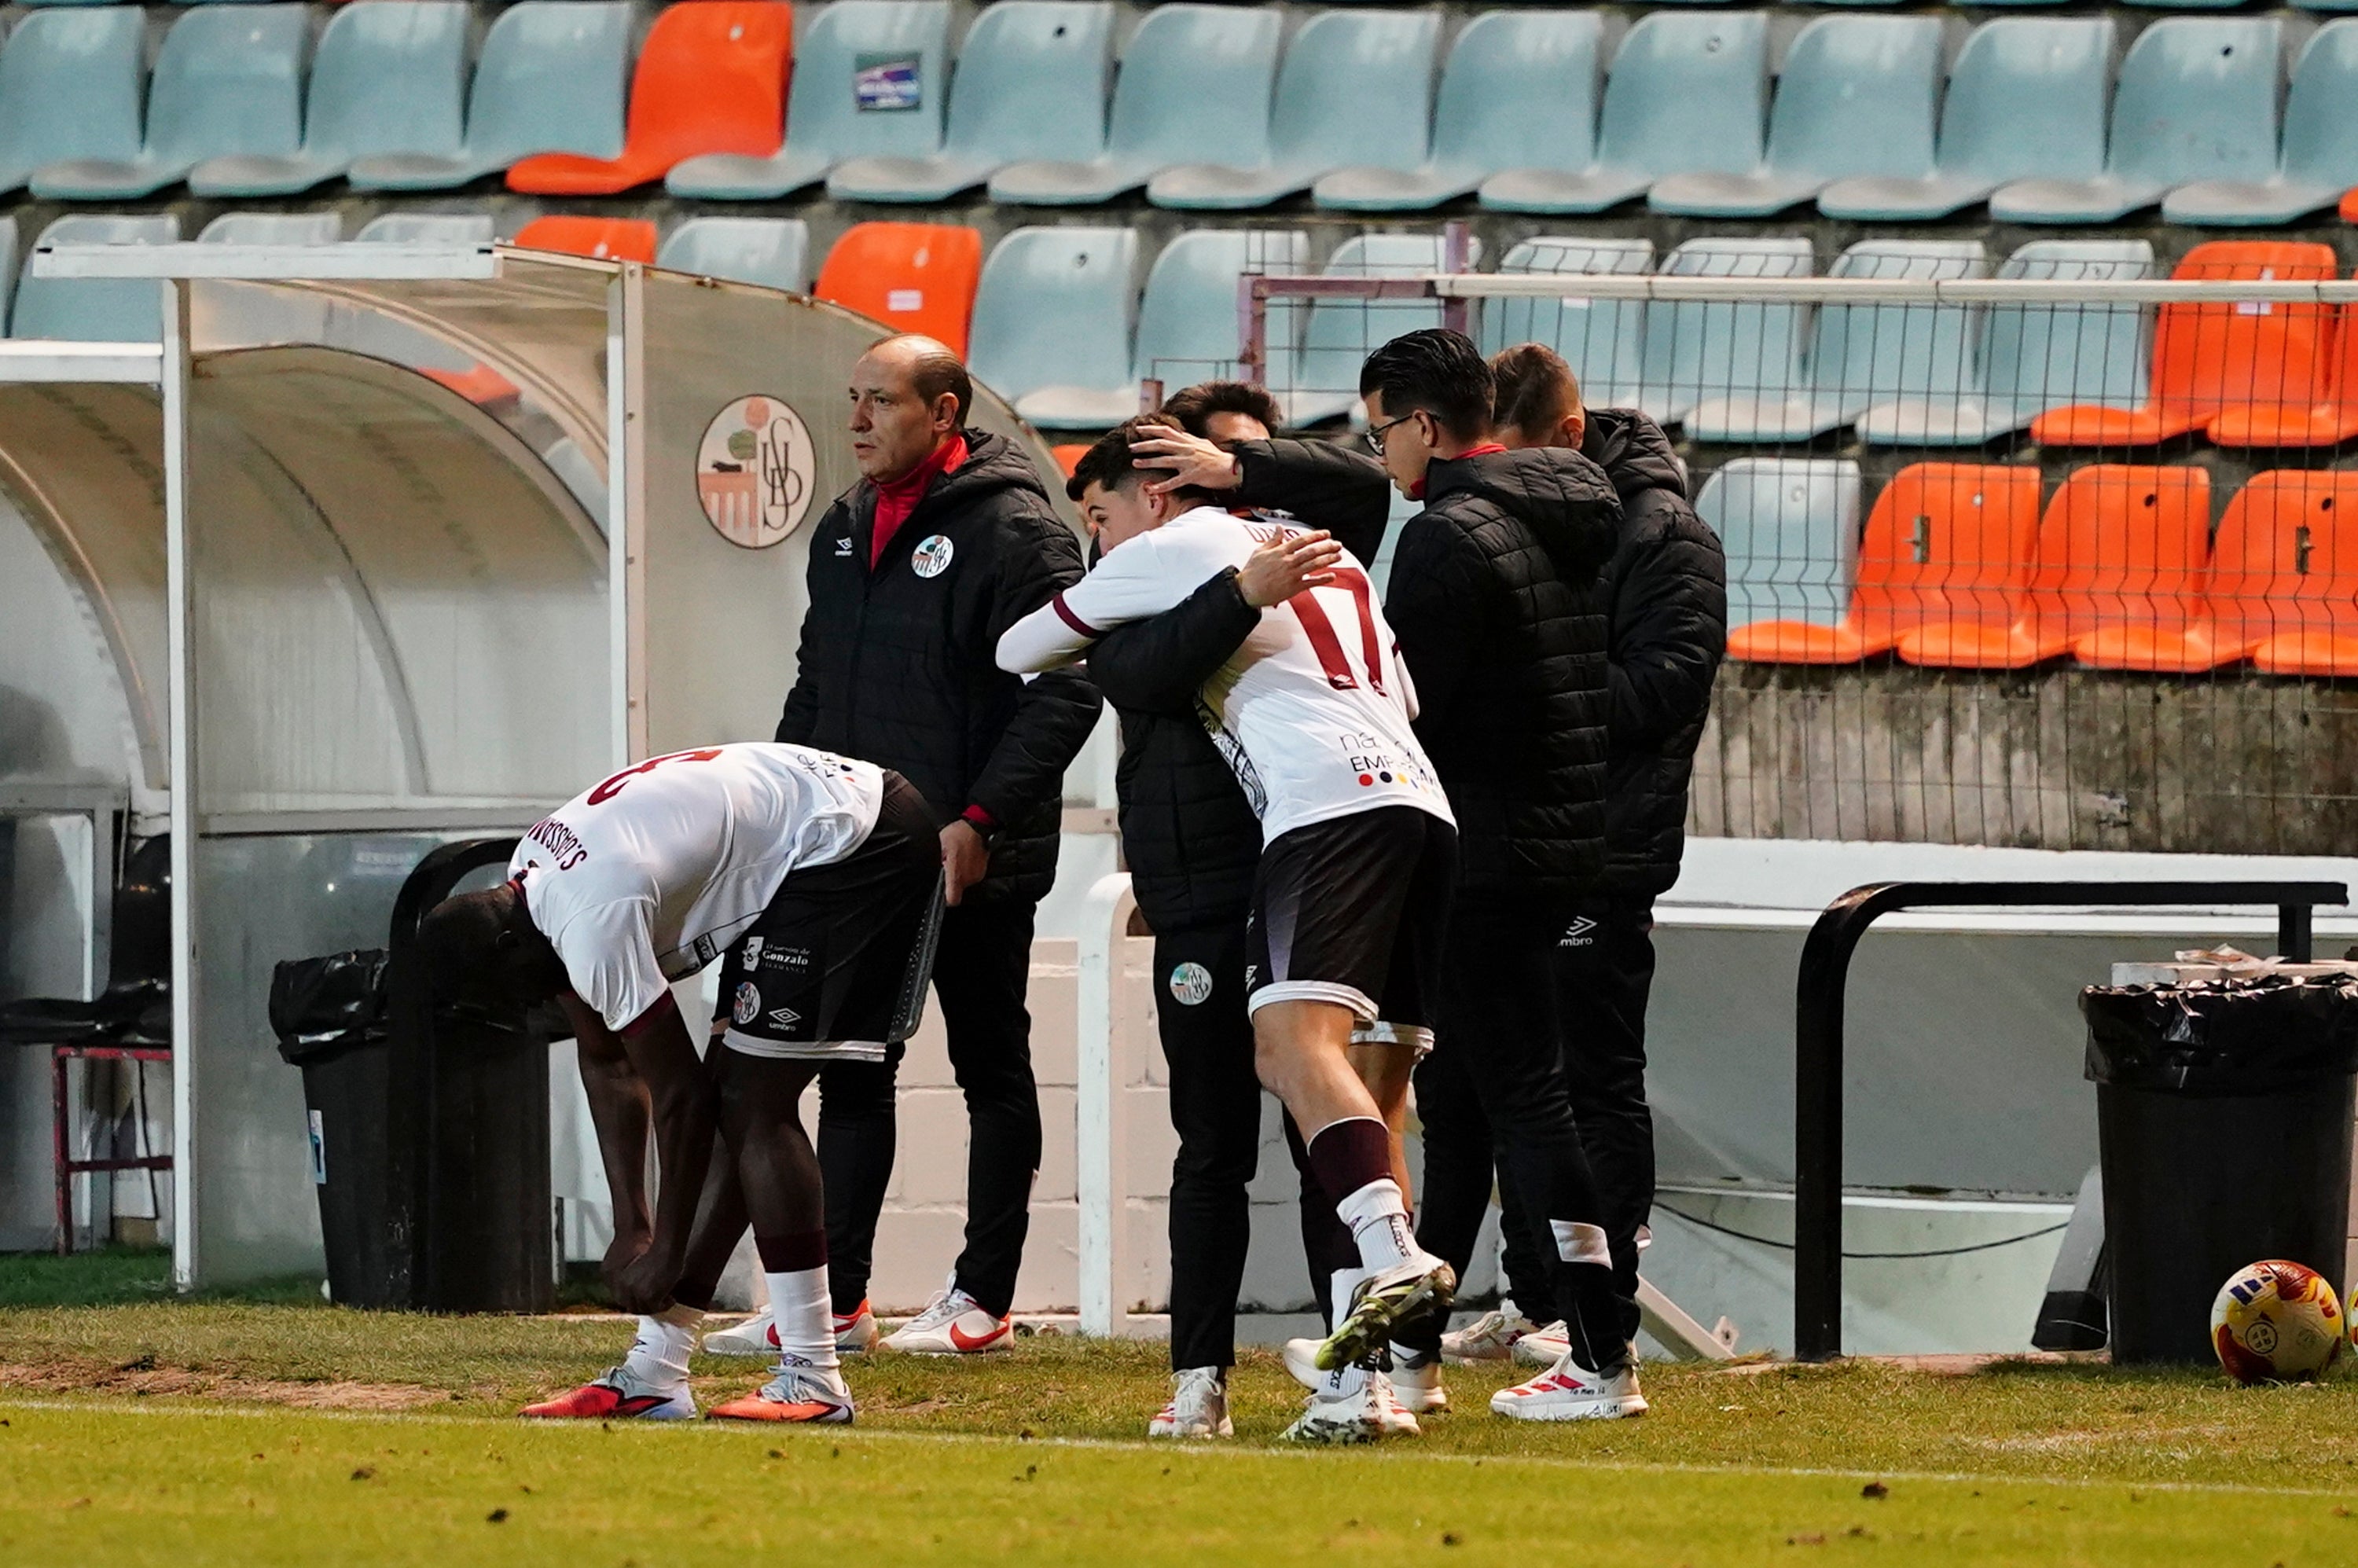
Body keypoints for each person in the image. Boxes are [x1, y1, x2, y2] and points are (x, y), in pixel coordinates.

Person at [999, 416, 1459, 1445]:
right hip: (1423, 815)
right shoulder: (1328, 558)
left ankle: (1392, 1260)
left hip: (1322, 814)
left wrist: (1187, 608)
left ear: (1157, 494)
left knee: (1290, 1053)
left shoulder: (1177, 548)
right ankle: (1351, 1382)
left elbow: (1019, 645)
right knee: (1358, 1101)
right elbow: (1407, 693)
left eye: (1101, 515)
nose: (1098, 541)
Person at [729, 335, 1099, 1359]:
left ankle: (982, 1296)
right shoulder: (845, 525)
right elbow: (816, 684)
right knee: (853, 1065)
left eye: (879, 401)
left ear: (943, 414)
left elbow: (1066, 692)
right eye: (850, 399)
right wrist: (784, 806)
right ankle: (834, 1302)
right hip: (858, 847)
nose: (854, 420)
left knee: (990, 1065)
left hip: (972, 851)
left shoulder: (1018, 527)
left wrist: (977, 821)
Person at [414, 742, 944, 1423]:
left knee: (753, 1106)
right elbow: (608, 1062)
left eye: (509, 994)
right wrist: (631, 1223)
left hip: (856, 834)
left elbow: (682, 1097)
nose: (526, 1009)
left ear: (509, 951)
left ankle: (815, 1377)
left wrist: (665, 1248)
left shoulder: (587, 920)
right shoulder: (529, 891)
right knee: (739, 1100)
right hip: (803, 839)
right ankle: (656, 1375)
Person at [1080, 382, 1393, 1438]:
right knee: (1210, 1143)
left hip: (1311, 870)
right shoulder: (1137, 595)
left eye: (1104, 512)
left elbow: (1365, 484)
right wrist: (1237, 592)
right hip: (1204, 898)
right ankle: (1199, 1378)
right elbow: (1142, 677)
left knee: (1329, 1135)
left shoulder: (1299, 556)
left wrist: (1244, 473)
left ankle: (1363, 1373)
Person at [1357, 328, 1644, 1423]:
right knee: (1475, 1102)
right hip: (1555, 839)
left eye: (1382, 428)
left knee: (1520, 1099)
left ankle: (1603, 1352)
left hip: (1479, 852)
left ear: (1425, 426)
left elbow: (1410, 704)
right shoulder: (1568, 510)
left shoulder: (1447, 536)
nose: (1379, 452)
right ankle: (1413, 1357)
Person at [1431, 344, 1725, 1370]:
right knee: (1504, 1078)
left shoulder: (1664, 534)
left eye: (1510, 464)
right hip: (1517, 844)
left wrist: (1535, 681)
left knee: (1592, 1075)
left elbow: (1668, 688)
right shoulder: (1545, 525)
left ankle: (1601, 1304)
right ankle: (1531, 1290)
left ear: (1563, 438)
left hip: (1603, 854)